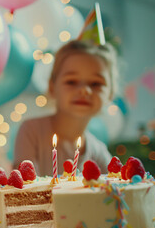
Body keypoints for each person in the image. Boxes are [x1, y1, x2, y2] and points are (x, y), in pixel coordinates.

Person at [13, 40, 118, 176]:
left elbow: (115, 192)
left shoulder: (99, 152)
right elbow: (25, 191)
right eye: (71, 81)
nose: (84, 90)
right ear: (52, 87)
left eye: (95, 83)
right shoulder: (31, 132)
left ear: (110, 94)